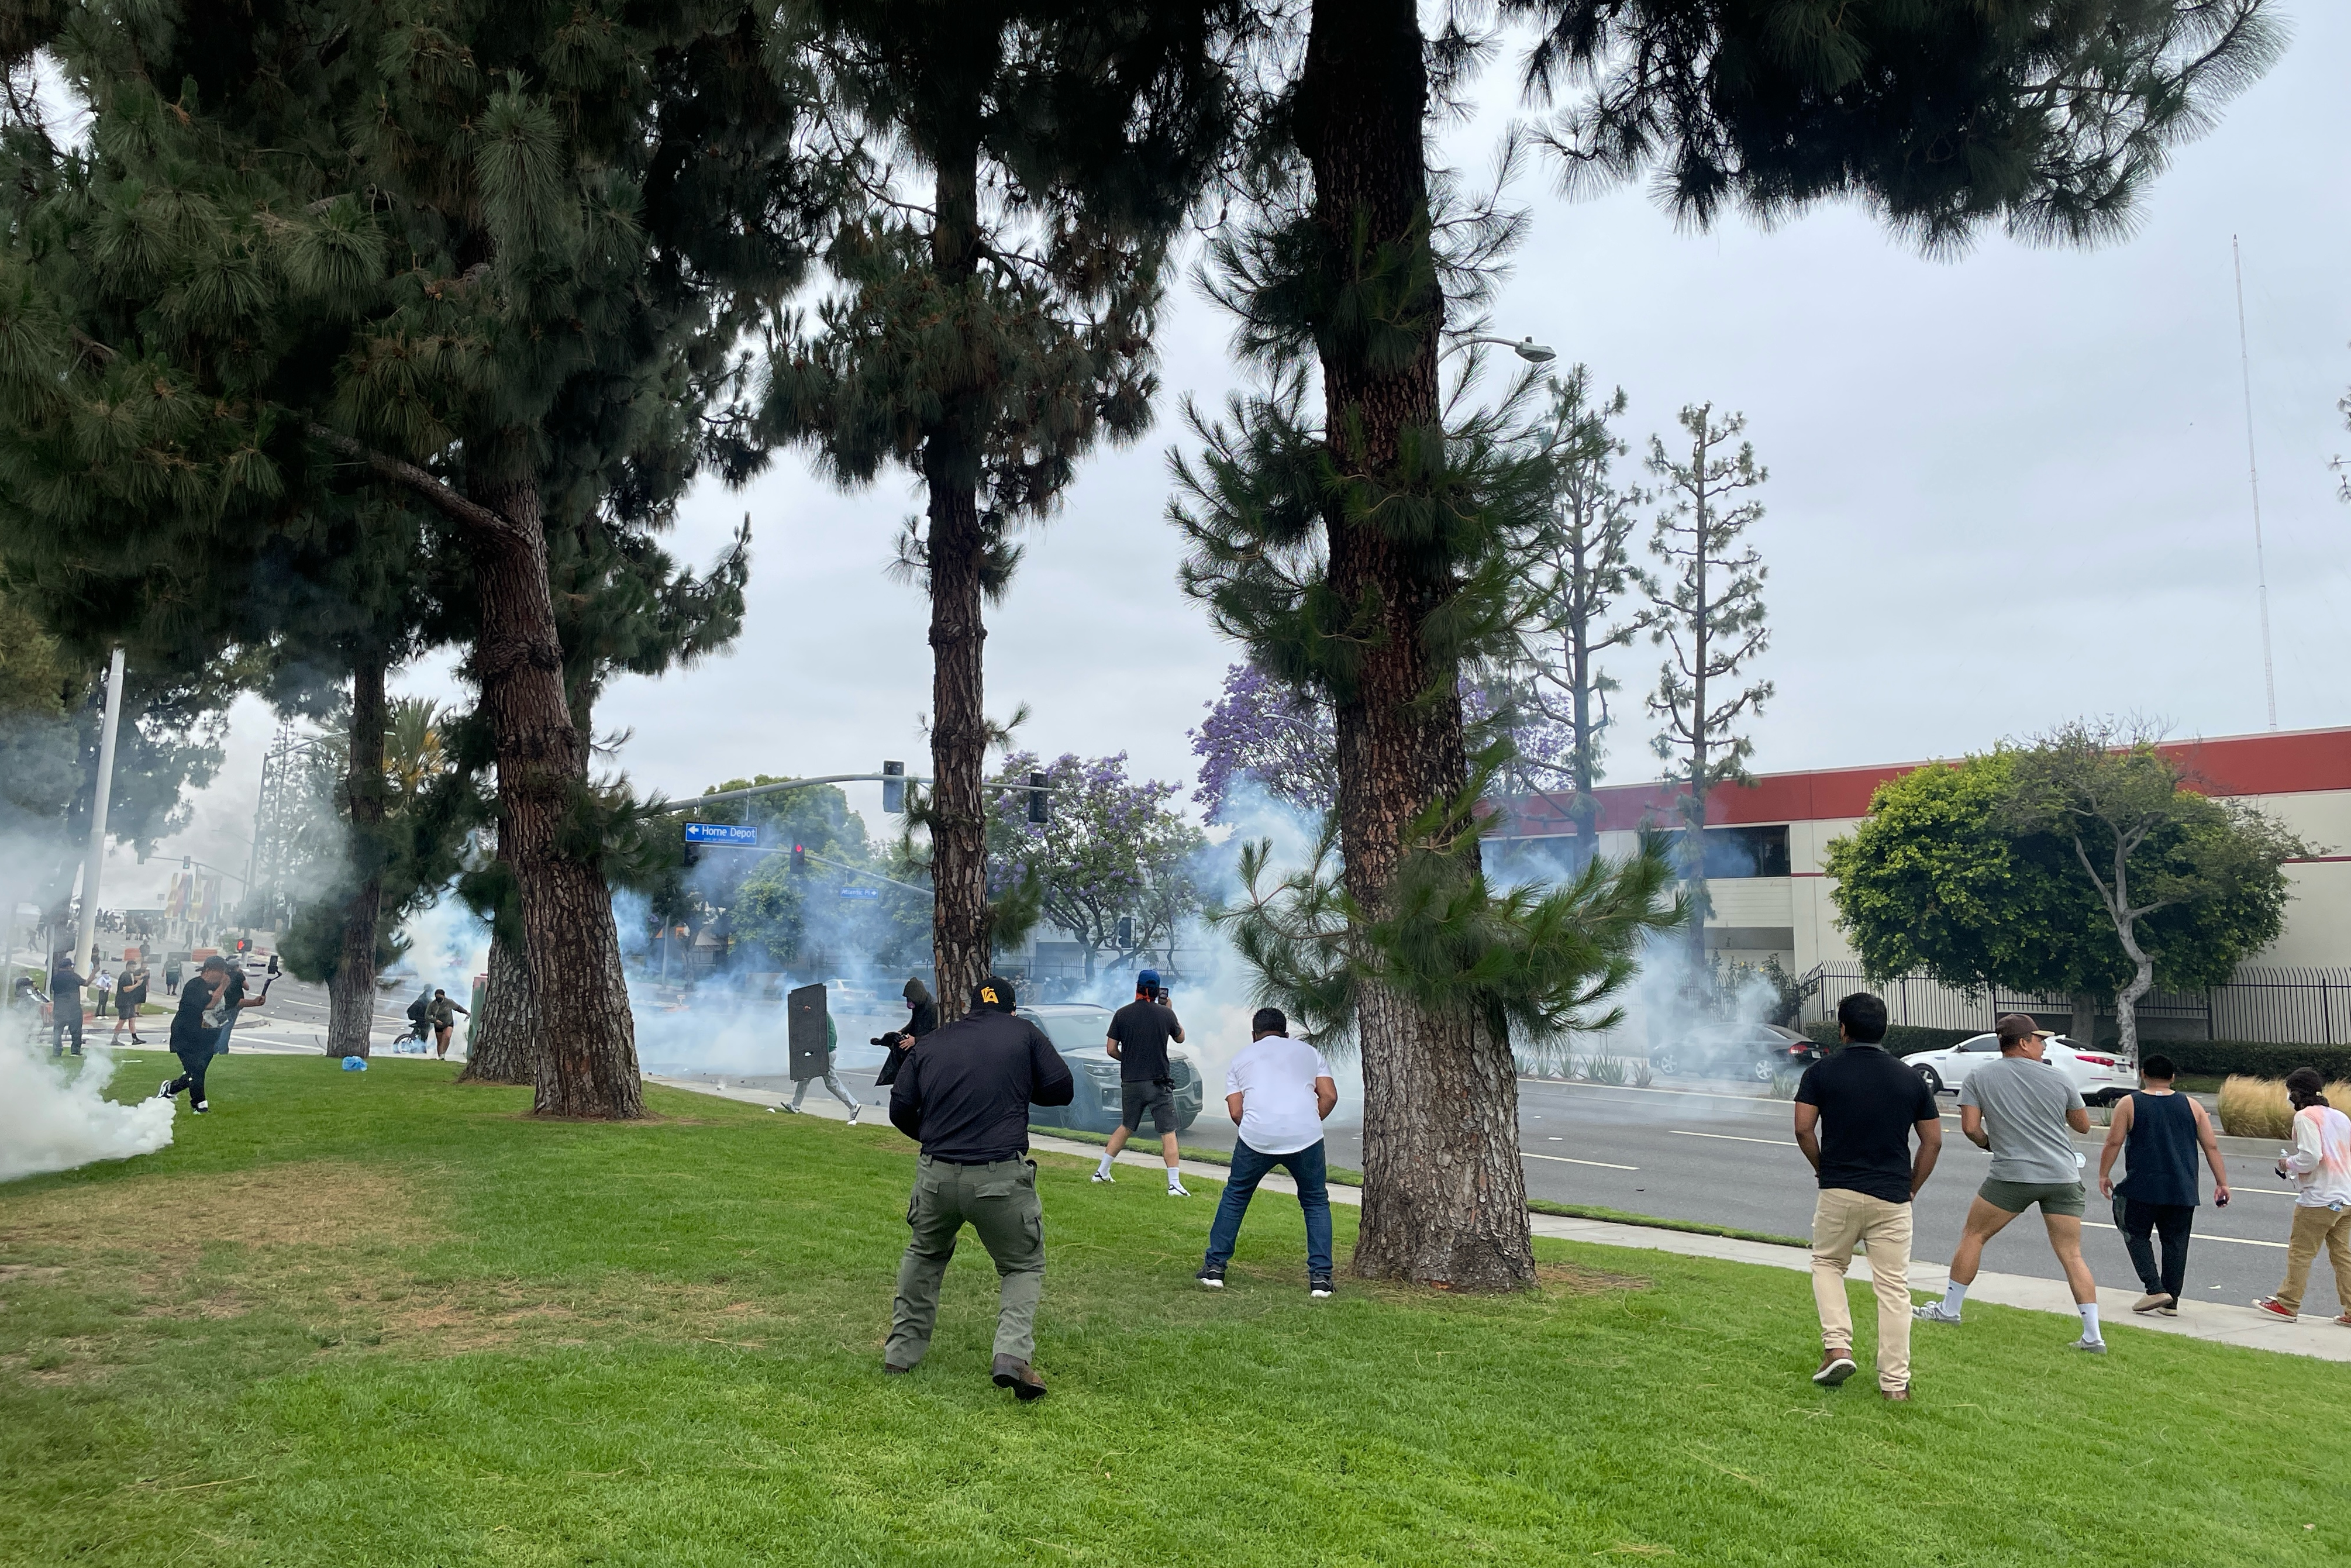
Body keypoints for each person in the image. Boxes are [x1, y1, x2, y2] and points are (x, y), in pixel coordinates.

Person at [884, 976, 1074, 1398]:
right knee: (1022, 1265)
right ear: (1012, 1010)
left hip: (936, 1175)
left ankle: (900, 1353)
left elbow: (899, 1107)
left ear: (969, 1008)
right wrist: (1021, 1082)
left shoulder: (933, 1041)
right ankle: (1011, 1355)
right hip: (999, 1177)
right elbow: (1062, 1089)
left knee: (924, 1254)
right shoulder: (1025, 1033)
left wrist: (932, 1138)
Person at [1914, 1014, 2105, 1353]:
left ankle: (1950, 1310)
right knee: (2072, 1254)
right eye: (2039, 1040)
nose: (2044, 1046)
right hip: (2062, 1175)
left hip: (2011, 1175)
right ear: (2023, 1042)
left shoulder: (1979, 1077)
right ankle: (2093, 1336)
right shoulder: (2058, 1077)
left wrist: (1991, 1144)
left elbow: (1971, 1128)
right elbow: (2083, 1126)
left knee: (1974, 1235)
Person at [1790, 991, 1943, 1400]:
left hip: (1839, 1187)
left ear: (1843, 1029)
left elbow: (1803, 1128)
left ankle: (1838, 1346)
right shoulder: (1910, 1078)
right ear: (1885, 1029)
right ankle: (1895, 1384)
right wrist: (1912, 1184)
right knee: (1893, 1287)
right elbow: (1932, 1141)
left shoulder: (1821, 1072)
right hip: (1892, 1194)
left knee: (1828, 1263)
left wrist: (1822, 1167)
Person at [1196, 1008, 1339, 1298]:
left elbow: (1236, 1111)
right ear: (1286, 1034)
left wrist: (1259, 1127)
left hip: (1256, 1138)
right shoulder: (1310, 1053)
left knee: (1236, 1196)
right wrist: (1309, 1121)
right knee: (1315, 1202)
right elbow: (1329, 1095)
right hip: (1306, 1136)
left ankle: (1214, 1270)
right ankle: (1321, 1280)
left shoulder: (1241, 1058)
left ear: (1254, 1035)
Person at [2097, 1053, 2230, 1315]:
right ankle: (2171, 1301)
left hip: (2142, 1186)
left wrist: (2104, 1174)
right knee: (2176, 1242)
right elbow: (2211, 1146)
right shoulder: (2192, 1105)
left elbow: (2113, 1142)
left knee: (2135, 1233)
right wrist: (2222, 1182)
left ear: (2143, 1074)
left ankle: (2154, 1288)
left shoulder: (2129, 1103)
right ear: (2173, 1077)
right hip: (2182, 1188)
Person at [2253, 1067, 2351, 1325]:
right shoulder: (2341, 1117)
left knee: (2301, 1252)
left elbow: (2311, 1157)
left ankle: (2287, 1304)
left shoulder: (2305, 1117)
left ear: (2295, 1093)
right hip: (2345, 1196)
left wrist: (2288, 1164)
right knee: (2343, 1256)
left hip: (2319, 1198)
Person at [1092, 969, 1188, 1196]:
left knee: (1127, 1126)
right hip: (1158, 1083)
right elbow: (1181, 1038)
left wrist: (1129, 1059)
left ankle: (1101, 1172)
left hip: (1131, 1082)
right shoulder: (1165, 1014)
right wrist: (1170, 1010)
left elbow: (1111, 1049)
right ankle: (1174, 1184)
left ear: (1137, 988)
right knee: (1168, 1131)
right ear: (1157, 992)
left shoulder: (1122, 1014)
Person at [158, 957, 226, 1114]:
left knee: (196, 1071)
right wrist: (223, 985)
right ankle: (200, 1106)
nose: (223, 976)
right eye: (220, 972)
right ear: (208, 970)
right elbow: (210, 1004)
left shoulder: (216, 987)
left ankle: (170, 1089)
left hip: (206, 1036)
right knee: (196, 1071)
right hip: (186, 1035)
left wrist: (254, 1002)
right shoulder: (195, 986)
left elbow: (230, 1003)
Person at [788, 1012, 860, 1122]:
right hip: (824, 1052)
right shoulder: (821, 1012)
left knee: (830, 1082)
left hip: (825, 1053)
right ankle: (795, 1105)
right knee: (806, 1078)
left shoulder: (819, 1013)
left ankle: (853, 1105)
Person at [47, 952, 86, 1058]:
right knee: (76, 1031)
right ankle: (75, 1051)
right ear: (69, 966)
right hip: (73, 1009)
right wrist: (94, 973)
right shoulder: (74, 976)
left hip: (59, 1009)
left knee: (58, 1031)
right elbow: (86, 983)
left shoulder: (55, 978)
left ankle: (57, 1050)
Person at [112, 956, 151, 1045]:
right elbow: (126, 989)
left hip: (129, 1002)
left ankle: (135, 1039)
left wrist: (143, 976)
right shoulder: (125, 976)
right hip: (124, 1002)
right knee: (122, 1020)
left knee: (132, 1019)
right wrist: (137, 985)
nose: (134, 969)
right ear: (128, 966)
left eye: (135, 967)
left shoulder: (130, 975)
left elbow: (136, 979)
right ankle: (114, 1039)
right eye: (133, 967)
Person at [425, 988, 470, 1059]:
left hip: (448, 1023)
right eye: (437, 997)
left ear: (444, 996)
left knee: (447, 1036)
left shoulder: (449, 1002)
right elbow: (427, 1016)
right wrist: (435, 1020)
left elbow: (458, 1008)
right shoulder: (432, 1005)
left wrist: (466, 1012)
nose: (438, 999)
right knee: (440, 1042)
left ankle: (443, 1053)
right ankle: (441, 1057)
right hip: (438, 1025)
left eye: (440, 997)